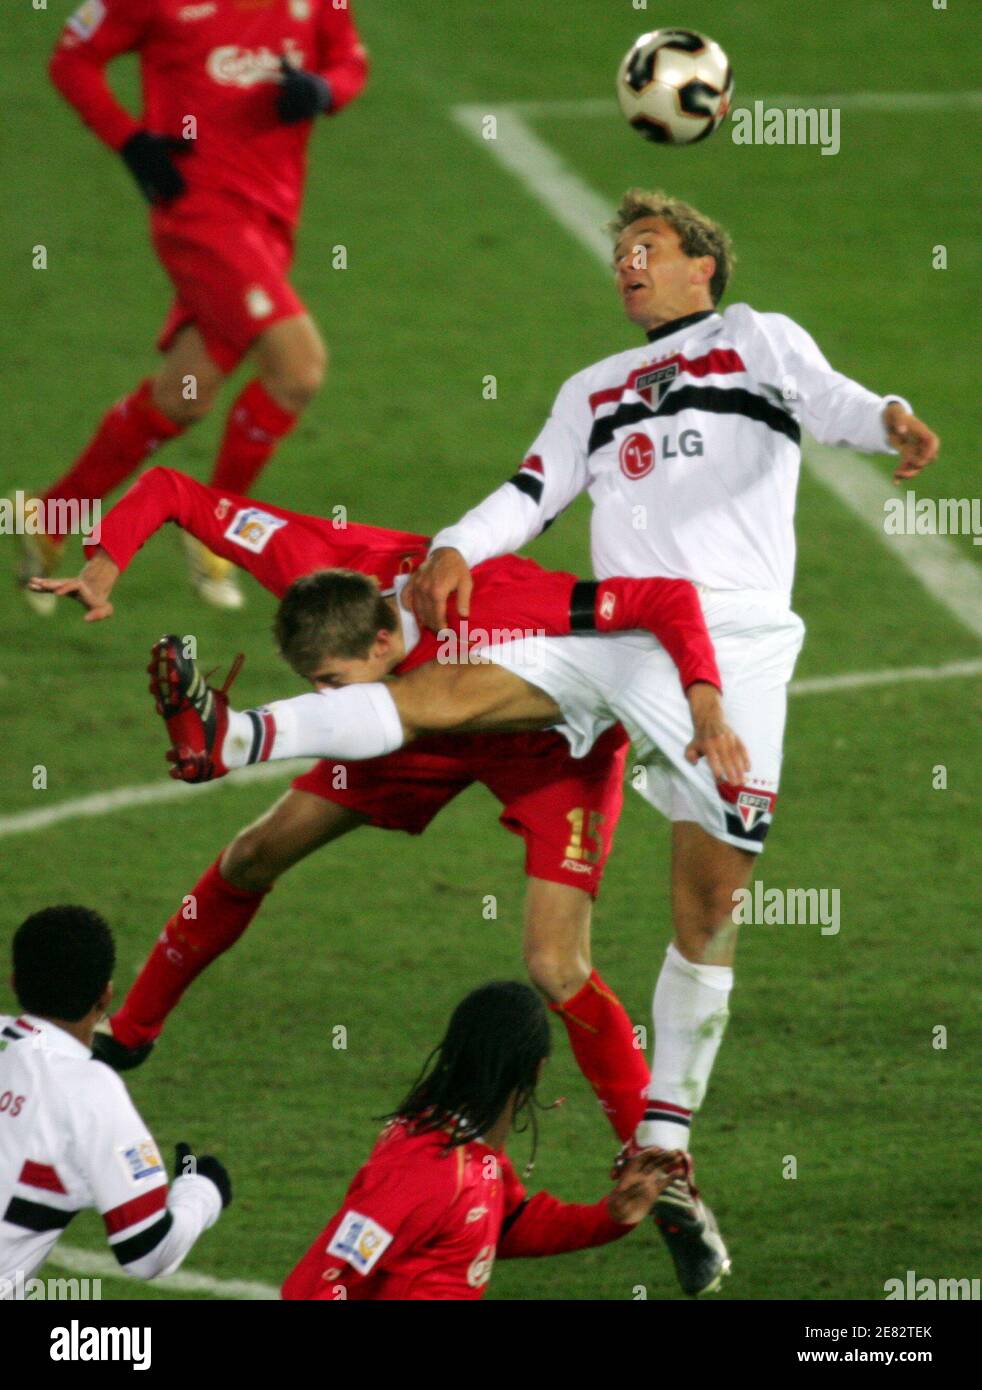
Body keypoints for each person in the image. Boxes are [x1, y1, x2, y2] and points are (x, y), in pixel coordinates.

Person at [148, 188, 940, 1295]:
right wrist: (457, 550)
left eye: (649, 248)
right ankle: (235, 733)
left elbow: (832, 400)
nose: (628, 263)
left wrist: (892, 415)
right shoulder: (591, 389)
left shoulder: (755, 339)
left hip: (738, 642)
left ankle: (665, 1144)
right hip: (620, 629)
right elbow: (530, 488)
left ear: (701, 265)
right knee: (444, 693)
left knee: (707, 905)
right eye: (621, 251)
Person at [32, 466, 738, 1183]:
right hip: (404, 731)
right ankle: (128, 1037)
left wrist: (705, 699)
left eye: (330, 685)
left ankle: (654, 1160)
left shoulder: (500, 602)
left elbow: (664, 598)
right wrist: (104, 560)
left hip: (546, 750)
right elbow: (173, 491)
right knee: (254, 854)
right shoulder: (322, 573)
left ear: (378, 641)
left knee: (555, 964)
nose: (321, 695)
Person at [20, 0, 368, 612]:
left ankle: (49, 516)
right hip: (200, 212)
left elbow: (350, 60)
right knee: (297, 370)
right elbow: (73, 58)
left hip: (272, 220)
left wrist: (320, 91)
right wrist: (129, 141)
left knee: (183, 395)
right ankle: (217, 530)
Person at [282, 981, 691, 1300]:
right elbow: (322, 1277)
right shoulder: (426, 1169)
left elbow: (503, 1224)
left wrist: (610, 1215)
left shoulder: (473, 1156)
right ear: (537, 1071)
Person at [0, 905, 231, 1298]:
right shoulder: (92, 1093)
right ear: (106, 994)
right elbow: (148, 1250)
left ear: (14, 981)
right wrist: (202, 1191)